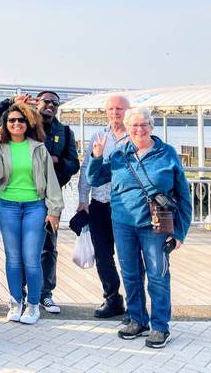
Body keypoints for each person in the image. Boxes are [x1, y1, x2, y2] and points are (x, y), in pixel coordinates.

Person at [86, 107, 192, 348]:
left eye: (143, 124)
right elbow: (94, 179)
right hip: (123, 223)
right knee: (131, 274)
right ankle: (138, 320)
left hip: (156, 225)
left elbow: (184, 195)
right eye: (134, 125)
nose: (139, 129)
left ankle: (160, 327)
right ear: (127, 127)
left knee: (157, 275)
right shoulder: (119, 153)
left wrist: (180, 231)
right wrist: (96, 156)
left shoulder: (167, 153)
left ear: (151, 126)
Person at [0, 90, 79, 314]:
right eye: (12, 120)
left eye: (21, 120)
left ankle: (35, 303)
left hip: (36, 206)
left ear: (28, 122)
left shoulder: (39, 146)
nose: (16, 123)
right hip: (7, 207)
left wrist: (54, 210)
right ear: (6, 123)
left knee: (33, 257)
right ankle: (16, 302)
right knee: (13, 258)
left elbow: (53, 181)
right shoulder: (1, 146)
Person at [78, 95, 131, 319]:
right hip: (99, 204)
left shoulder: (135, 135)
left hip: (127, 207)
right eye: (111, 109)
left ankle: (135, 305)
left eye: (119, 108)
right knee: (103, 255)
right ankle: (113, 300)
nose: (115, 112)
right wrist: (82, 199)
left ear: (128, 110)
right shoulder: (98, 136)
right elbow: (87, 166)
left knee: (130, 257)